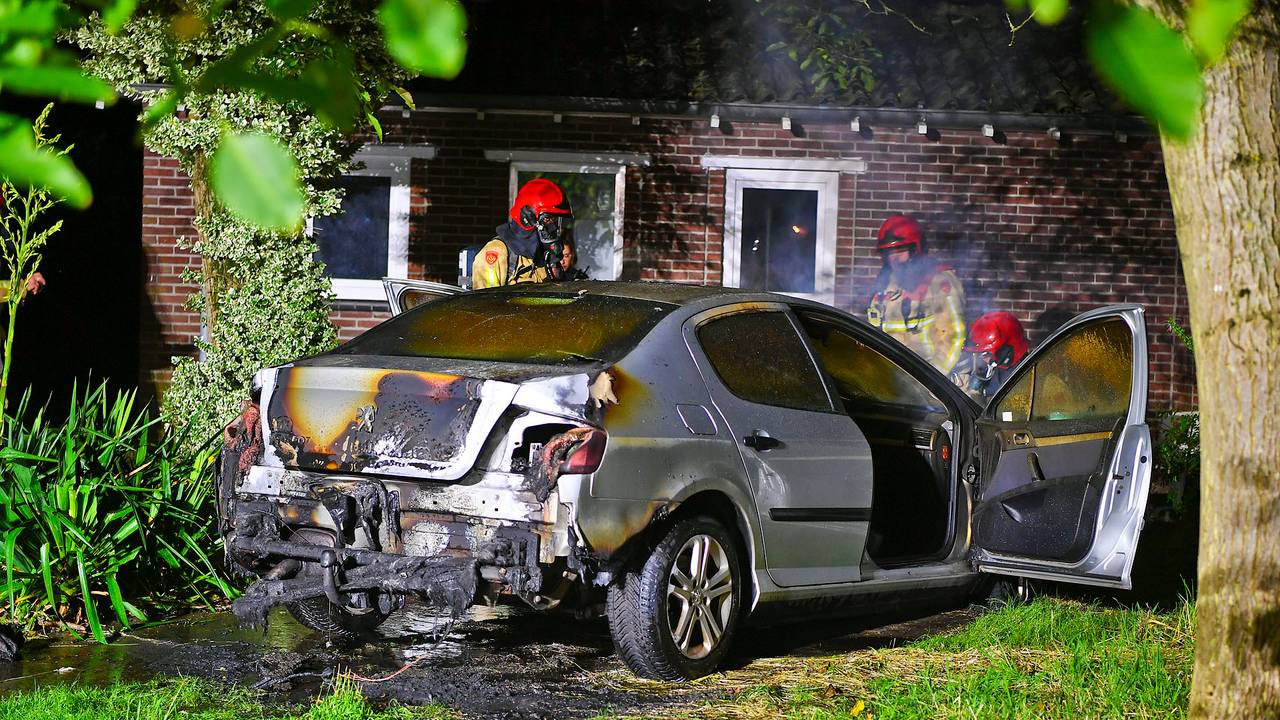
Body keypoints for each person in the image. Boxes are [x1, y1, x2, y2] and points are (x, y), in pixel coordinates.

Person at [865, 214, 966, 374]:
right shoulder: (883, 288)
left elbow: (953, 337)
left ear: (916, 249)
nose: (894, 258)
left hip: (937, 381)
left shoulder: (940, 283)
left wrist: (930, 384)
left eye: (900, 250)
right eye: (889, 252)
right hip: (896, 380)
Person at [472, 178, 574, 289]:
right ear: (527, 218)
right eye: (548, 219)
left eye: (556, 220)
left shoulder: (543, 256)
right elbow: (487, 303)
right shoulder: (496, 253)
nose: (553, 227)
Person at [952, 311, 1029, 400]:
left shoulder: (1020, 381)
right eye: (979, 353)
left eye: (985, 353)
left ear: (1006, 352)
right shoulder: (989, 368)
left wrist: (976, 395)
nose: (981, 359)